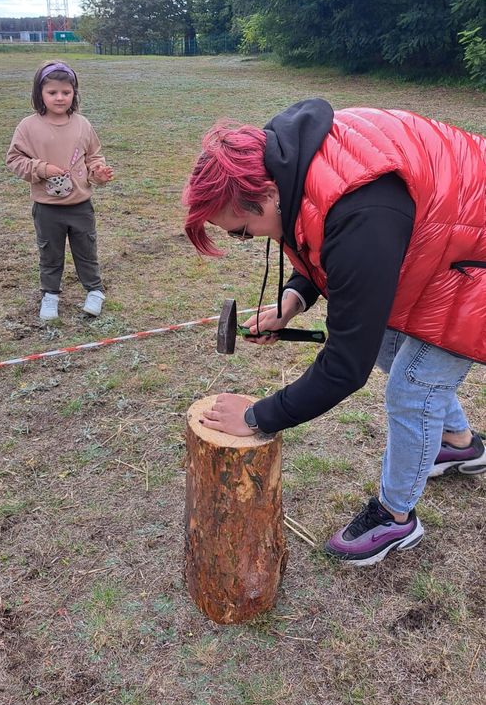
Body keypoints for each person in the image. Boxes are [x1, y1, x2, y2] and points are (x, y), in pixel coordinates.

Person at [182, 98, 486, 567]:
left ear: (264, 192)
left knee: (413, 388)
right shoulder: (290, 160)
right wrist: (293, 299)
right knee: (388, 342)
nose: (247, 240)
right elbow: (323, 238)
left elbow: (346, 365)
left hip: (474, 255)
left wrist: (260, 416)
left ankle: (395, 517)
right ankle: (458, 444)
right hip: (441, 237)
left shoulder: (361, 208)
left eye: (243, 231)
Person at [6, 61, 113, 320]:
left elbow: (93, 158)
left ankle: (95, 291)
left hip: (80, 206)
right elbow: (14, 159)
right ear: (39, 93)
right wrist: (42, 168)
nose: (60, 97)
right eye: (52, 92)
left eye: (66, 92)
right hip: (47, 208)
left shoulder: (83, 125)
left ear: (74, 93)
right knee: (50, 253)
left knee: (86, 251)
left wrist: (98, 174)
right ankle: (50, 295)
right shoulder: (28, 127)